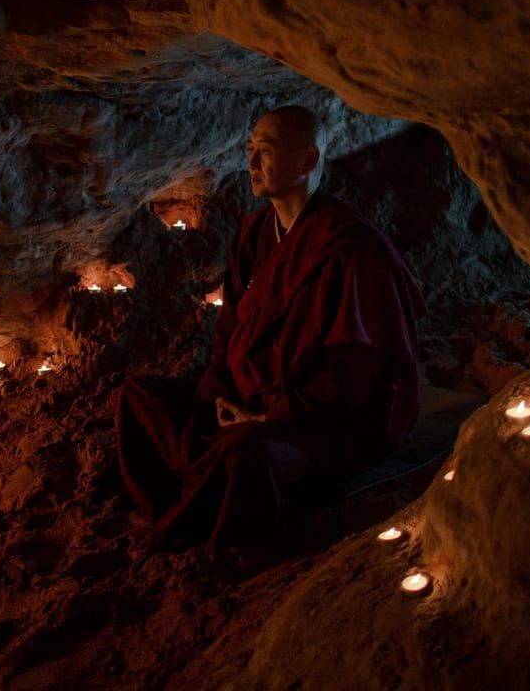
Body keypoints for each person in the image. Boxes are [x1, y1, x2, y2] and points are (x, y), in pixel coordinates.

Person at [116, 104, 425, 548]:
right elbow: (228, 326)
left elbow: (351, 374)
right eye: (250, 149)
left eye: (266, 150)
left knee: (245, 457)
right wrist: (221, 392)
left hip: (315, 421)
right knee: (138, 398)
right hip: (246, 395)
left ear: (307, 160)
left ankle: (199, 511)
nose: (252, 163)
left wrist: (269, 418)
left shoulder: (348, 248)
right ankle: (195, 488)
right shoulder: (254, 233)